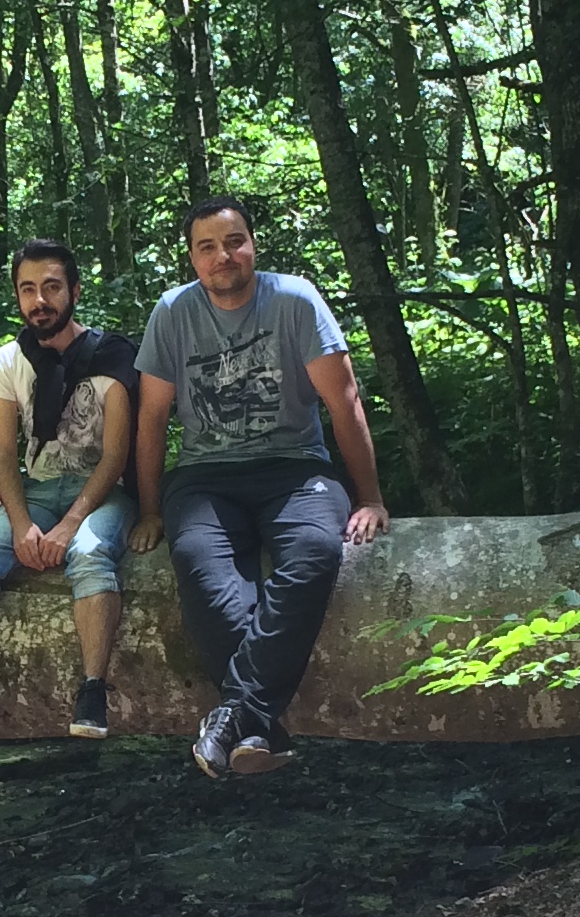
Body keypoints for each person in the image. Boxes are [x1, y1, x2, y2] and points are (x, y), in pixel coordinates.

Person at [129, 194, 390, 778]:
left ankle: (232, 717)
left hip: (296, 469)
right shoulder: (173, 312)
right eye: (207, 247)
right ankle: (258, 726)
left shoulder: (295, 301)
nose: (223, 256)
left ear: (252, 245)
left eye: (233, 241)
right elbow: (150, 421)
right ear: (193, 259)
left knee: (316, 553)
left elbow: (343, 402)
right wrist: (150, 510)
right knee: (200, 566)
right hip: (204, 478)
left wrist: (370, 496)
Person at [0, 240, 137, 741]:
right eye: (28, 289)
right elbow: (2, 454)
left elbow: (117, 455)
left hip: (100, 493)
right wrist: (19, 524)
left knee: (90, 554)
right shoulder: (9, 360)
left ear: (74, 291)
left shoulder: (113, 356)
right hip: (35, 489)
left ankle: (93, 690)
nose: (40, 300)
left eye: (52, 287)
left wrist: (72, 522)